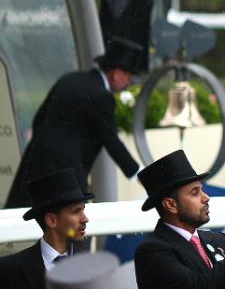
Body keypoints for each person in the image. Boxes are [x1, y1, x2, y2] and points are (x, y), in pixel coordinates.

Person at [6, 37, 143, 207]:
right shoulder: (102, 96)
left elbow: (39, 118)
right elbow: (112, 141)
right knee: (68, 224)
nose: (129, 82)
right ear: (116, 73)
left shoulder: (70, 79)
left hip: (35, 162)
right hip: (65, 174)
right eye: (129, 75)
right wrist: (138, 175)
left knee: (24, 220)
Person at [133, 150, 225, 289]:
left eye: (202, 190)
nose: (206, 197)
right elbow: (198, 286)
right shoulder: (152, 251)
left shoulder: (221, 240)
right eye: (195, 192)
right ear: (171, 205)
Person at [0, 169, 94, 289]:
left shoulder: (93, 267)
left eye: (83, 210)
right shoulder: (10, 270)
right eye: (76, 211)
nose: (85, 219)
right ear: (51, 220)